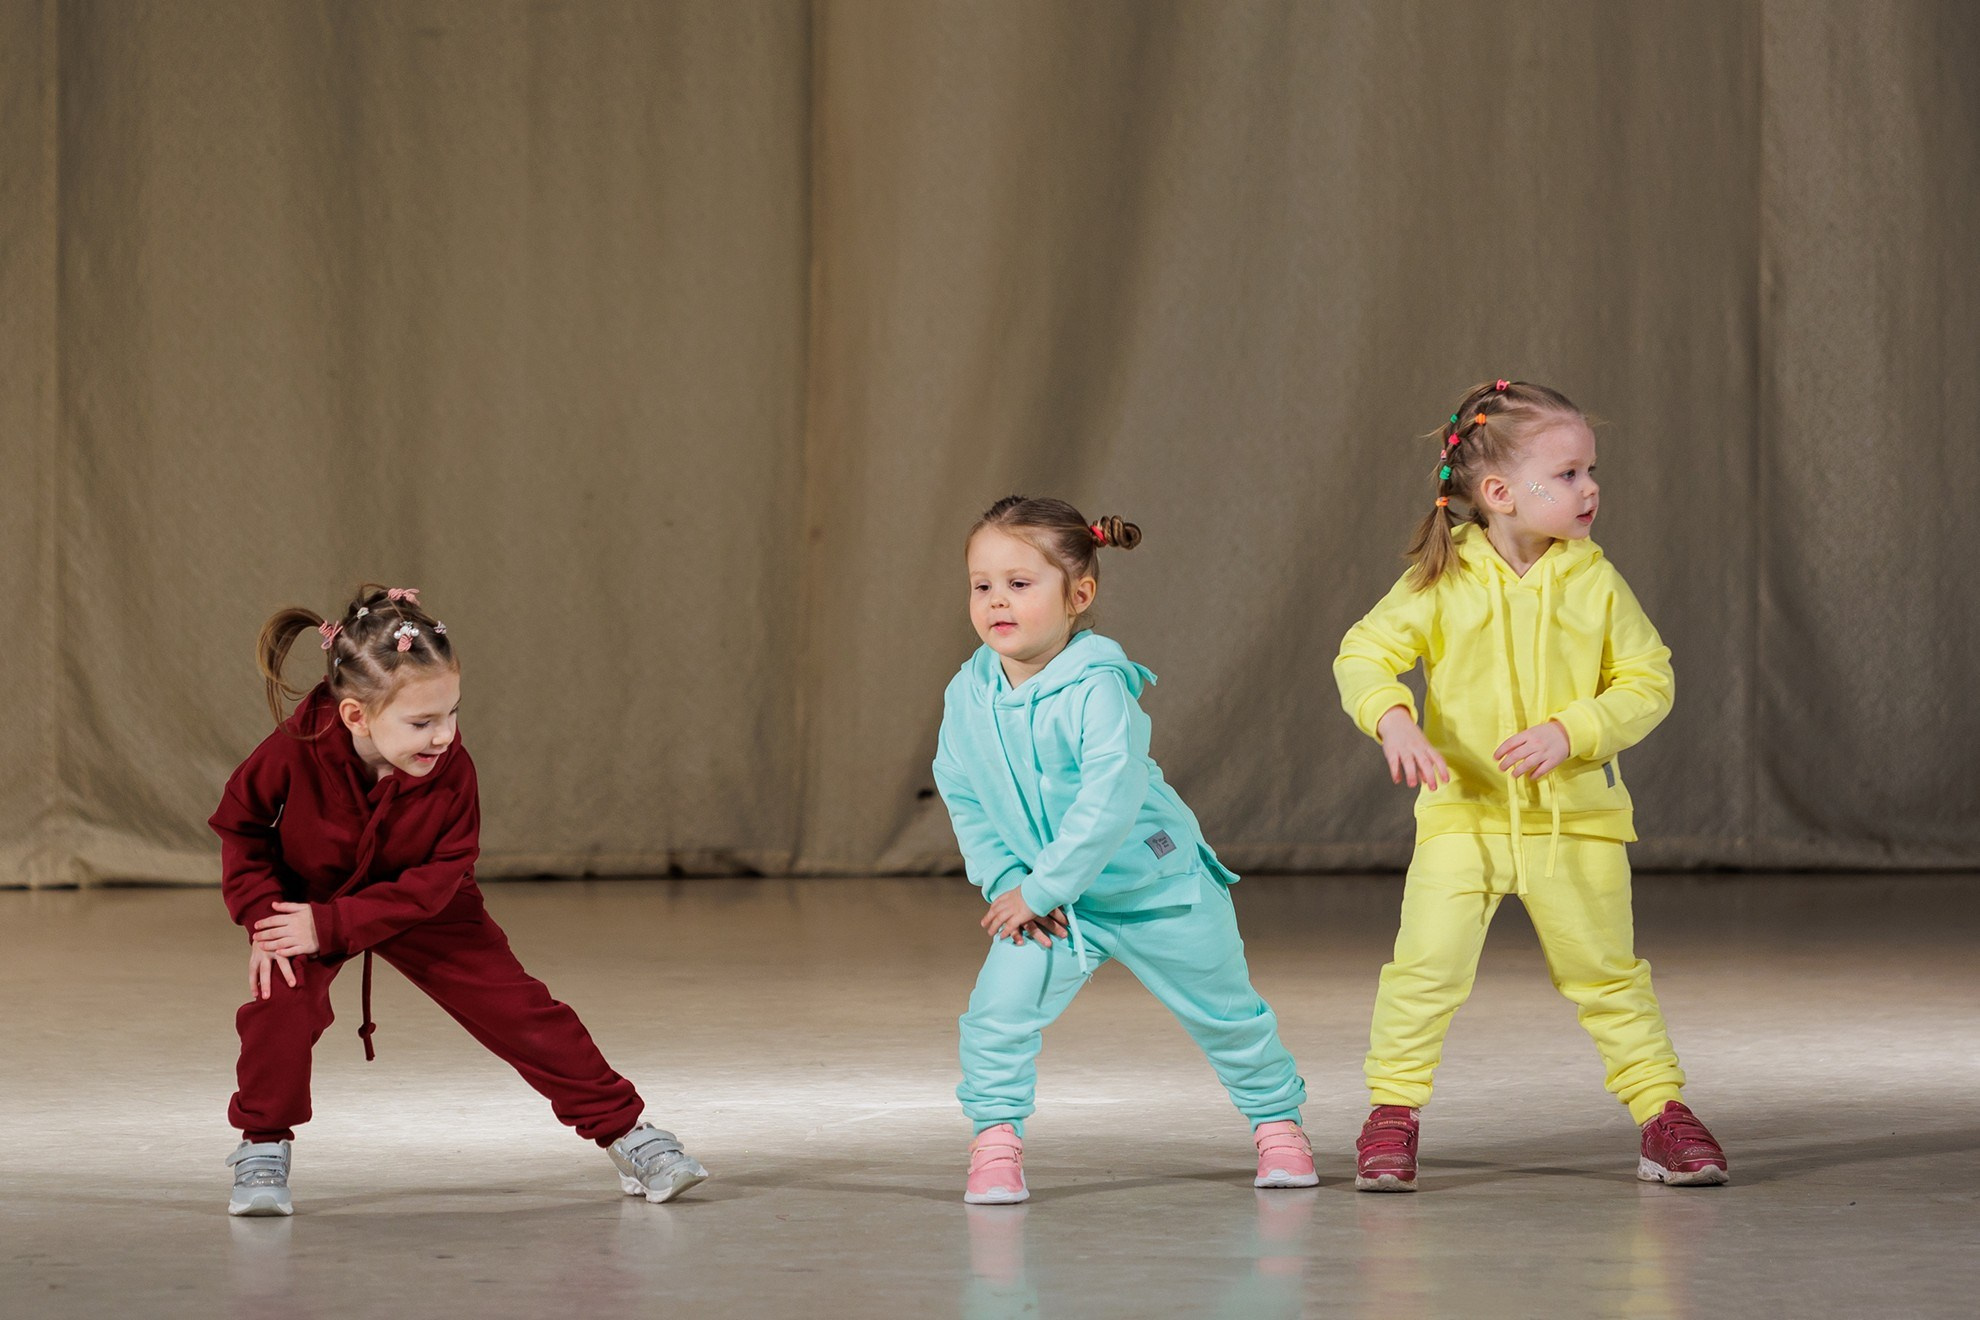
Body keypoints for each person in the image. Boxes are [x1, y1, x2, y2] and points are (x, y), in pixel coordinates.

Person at [1334, 380, 1729, 1191]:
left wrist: (1572, 731)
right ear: (1499, 493)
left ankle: (1661, 1115)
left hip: (1578, 823)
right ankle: (1392, 1113)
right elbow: (1363, 655)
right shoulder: (1441, 579)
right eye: (1569, 474)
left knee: (1609, 976)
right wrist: (1392, 719)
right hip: (1463, 819)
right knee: (1425, 972)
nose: (1590, 489)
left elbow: (1649, 679)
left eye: (1592, 471)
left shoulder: (1597, 580)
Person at [212, 584, 708, 1215]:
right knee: (278, 1004)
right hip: (308, 903)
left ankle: (628, 1134)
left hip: (426, 901)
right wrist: (265, 918)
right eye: (422, 723)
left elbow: (443, 872)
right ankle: (262, 1143)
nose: (444, 736)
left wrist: (338, 923)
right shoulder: (292, 750)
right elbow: (241, 827)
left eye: (452, 713)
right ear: (356, 716)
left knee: (522, 1011)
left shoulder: (453, 769)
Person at [935, 499, 1314, 1204]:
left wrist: (1042, 886)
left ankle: (1278, 1124)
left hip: (1158, 886)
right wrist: (1010, 881)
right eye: (981, 585)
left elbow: (1108, 798)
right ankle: (994, 1141)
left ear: (1078, 596)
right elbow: (963, 791)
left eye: (1019, 584)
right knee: (996, 1015)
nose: (996, 601)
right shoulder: (968, 694)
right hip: (1055, 906)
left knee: (1227, 1013)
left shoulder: (1100, 685)